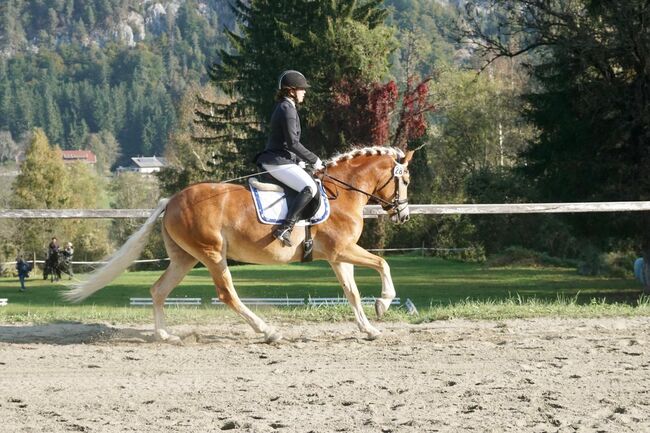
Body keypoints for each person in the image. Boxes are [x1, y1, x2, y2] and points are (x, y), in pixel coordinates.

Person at [255, 70, 324, 247]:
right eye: (302, 89)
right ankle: (286, 228)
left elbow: (287, 144)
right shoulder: (287, 109)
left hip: (281, 159)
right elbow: (293, 143)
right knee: (309, 187)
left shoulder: (286, 107)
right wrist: (314, 160)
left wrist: (299, 162)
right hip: (277, 161)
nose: (305, 92)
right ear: (292, 90)